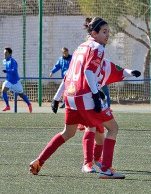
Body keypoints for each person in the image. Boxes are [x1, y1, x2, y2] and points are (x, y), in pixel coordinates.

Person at [29, 17, 126, 179]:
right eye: (104, 32)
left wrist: (57, 98)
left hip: (71, 95)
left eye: (108, 32)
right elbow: (88, 71)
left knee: (68, 132)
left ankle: (40, 160)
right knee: (113, 128)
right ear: (93, 33)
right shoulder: (97, 48)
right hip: (85, 95)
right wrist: (95, 95)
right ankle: (106, 169)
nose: (107, 35)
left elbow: (68, 75)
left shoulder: (80, 47)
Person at [52, 58, 141, 173]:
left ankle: (97, 159)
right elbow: (67, 80)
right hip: (85, 101)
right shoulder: (83, 63)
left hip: (96, 101)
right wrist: (56, 98)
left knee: (100, 136)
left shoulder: (104, 63)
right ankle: (87, 163)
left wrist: (131, 73)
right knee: (92, 127)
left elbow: (119, 70)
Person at [2, 47, 32, 113]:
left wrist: (7, 71)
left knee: (21, 95)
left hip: (16, 82)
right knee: (4, 90)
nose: (4, 54)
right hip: (9, 81)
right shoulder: (4, 61)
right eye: (4, 52)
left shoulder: (13, 61)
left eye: (6, 52)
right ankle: (7, 106)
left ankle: (29, 104)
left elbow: (14, 71)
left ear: (10, 53)